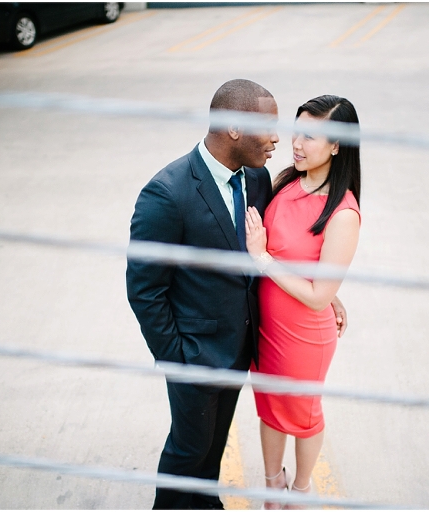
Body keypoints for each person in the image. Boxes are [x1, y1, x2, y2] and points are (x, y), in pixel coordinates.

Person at [126, 80, 348, 510]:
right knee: (187, 455)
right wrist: (178, 357)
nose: (277, 139)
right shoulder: (167, 193)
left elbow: (269, 251)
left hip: (240, 351)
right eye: (267, 126)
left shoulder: (258, 179)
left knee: (210, 452)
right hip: (195, 358)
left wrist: (327, 291)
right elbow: (145, 290)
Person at [244, 95, 362, 510]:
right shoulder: (287, 182)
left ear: (336, 145)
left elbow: (317, 296)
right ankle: (272, 485)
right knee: (270, 408)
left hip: (302, 336)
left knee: (303, 414)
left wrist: (262, 259)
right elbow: (306, 263)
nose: (297, 143)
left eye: (311, 136)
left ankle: (301, 492)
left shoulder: (342, 212)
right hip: (266, 326)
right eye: (297, 132)